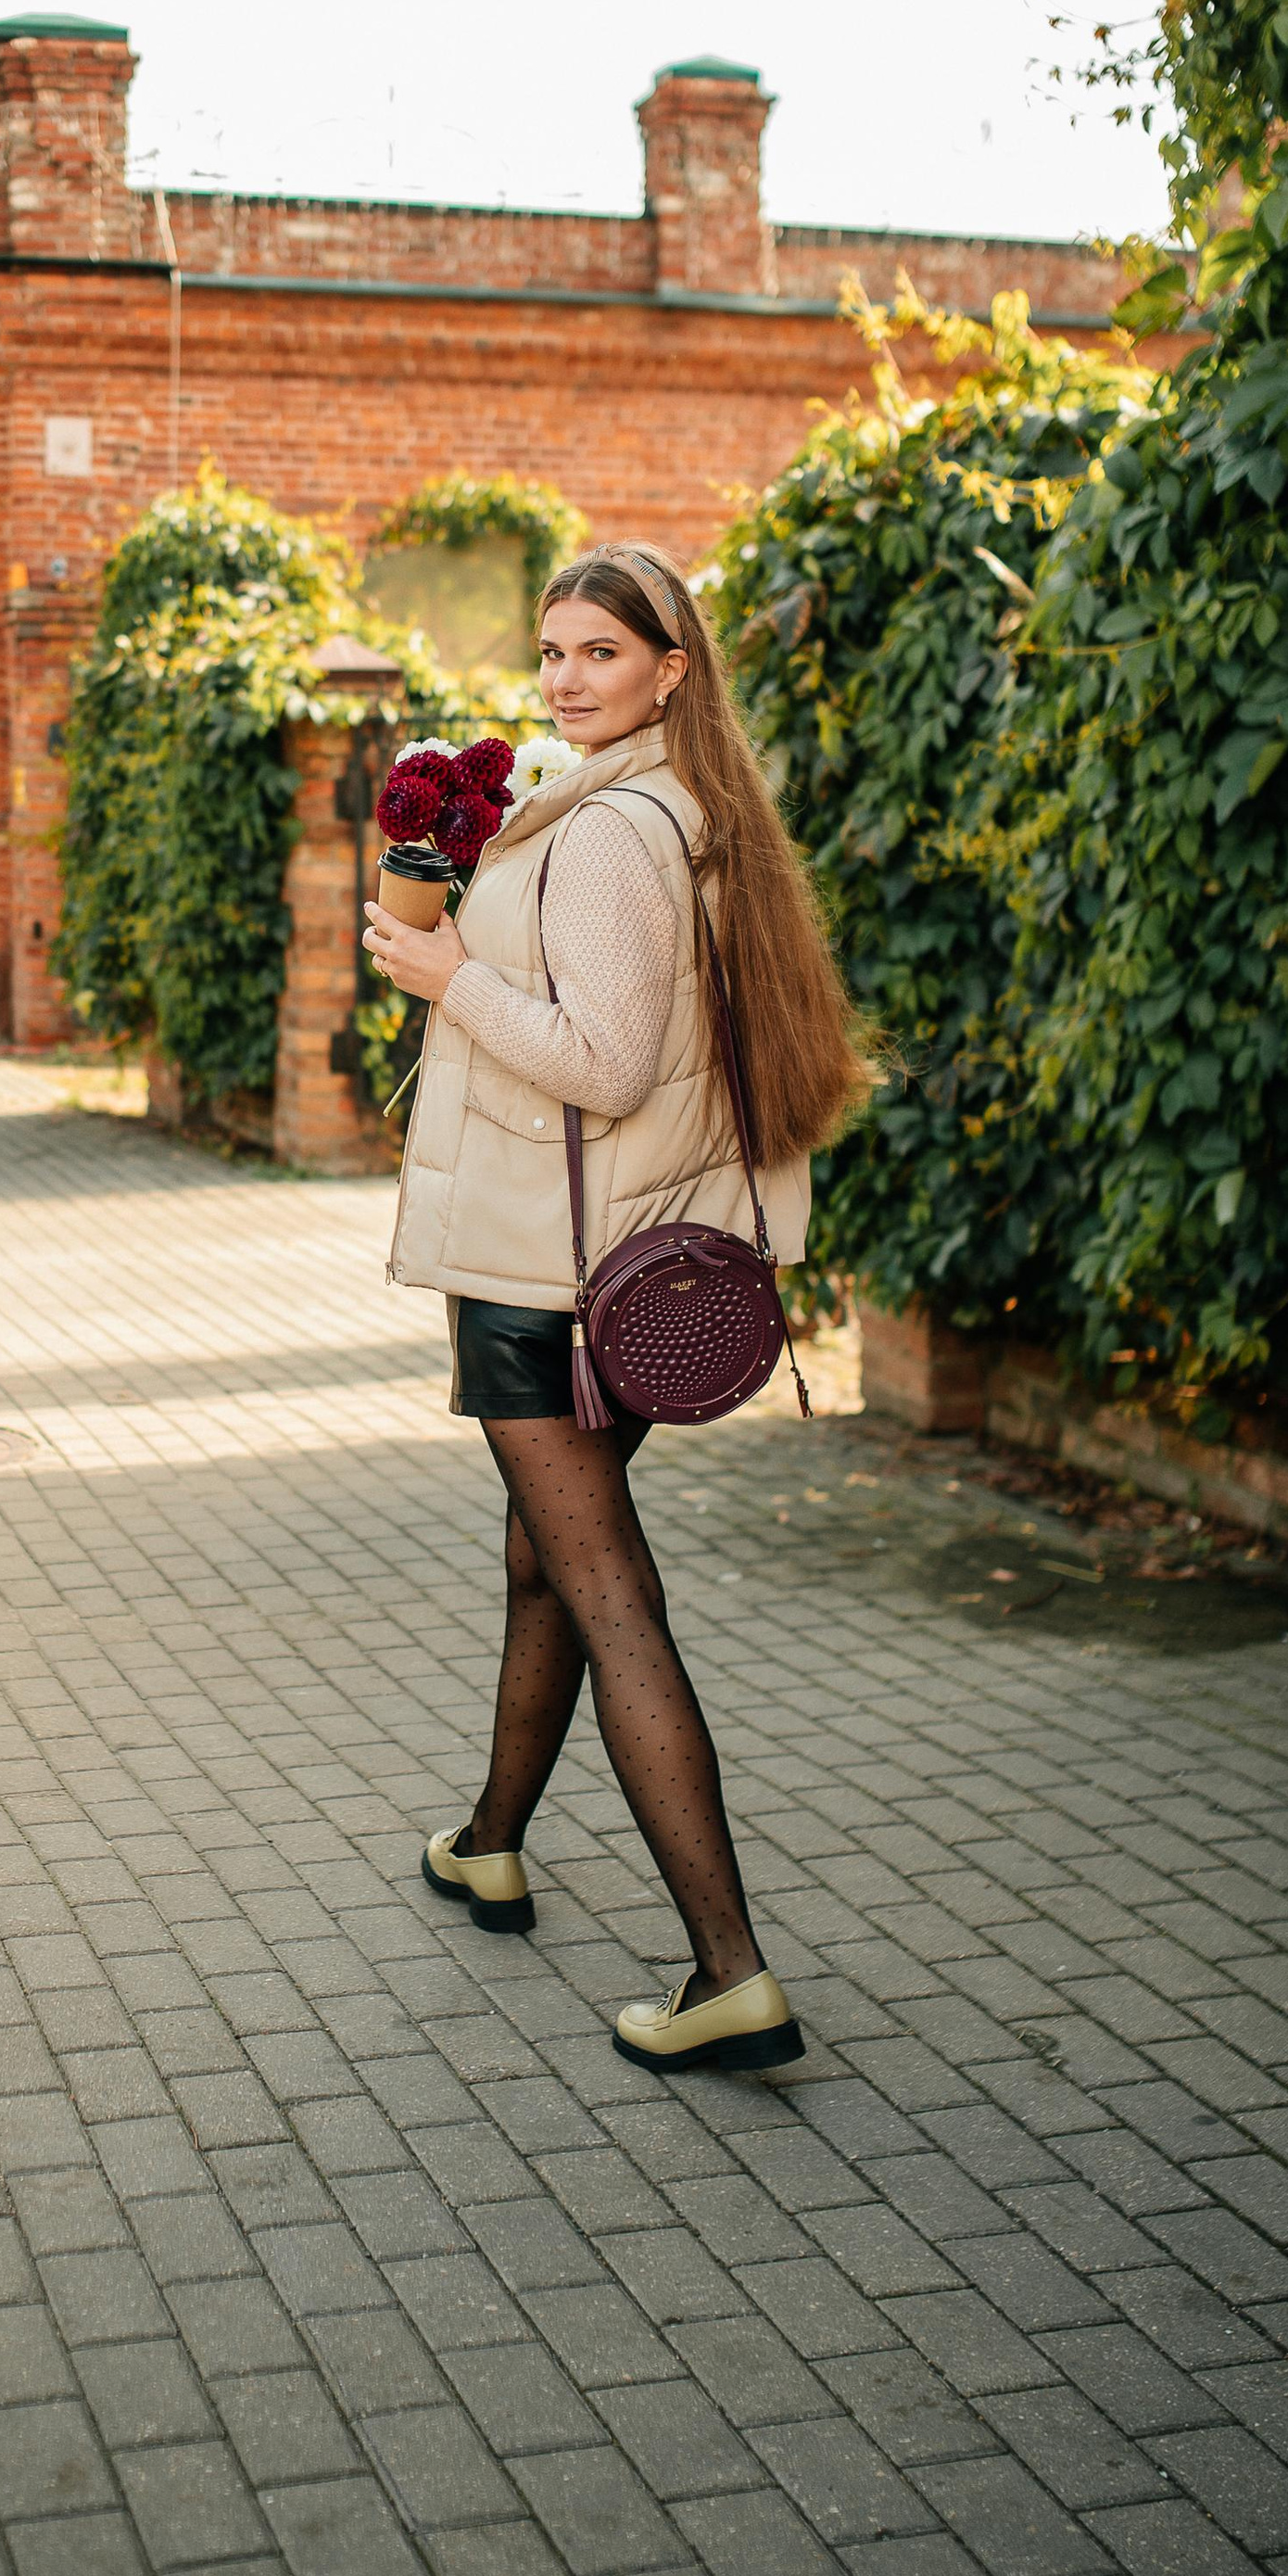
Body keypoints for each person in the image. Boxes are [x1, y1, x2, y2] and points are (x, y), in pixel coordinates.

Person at [366, 545, 869, 2082]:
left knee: (603, 1586)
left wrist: (446, 976)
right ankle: (491, 1843)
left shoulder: (610, 834)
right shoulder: (676, 806)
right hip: (628, 1263)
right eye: (553, 649)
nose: (566, 677)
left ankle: (730, 1970)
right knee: (548, 1557)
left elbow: (605, 1062)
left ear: (671, 667)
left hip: (548, 1278)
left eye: (601, 651)